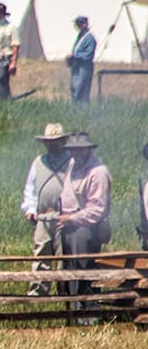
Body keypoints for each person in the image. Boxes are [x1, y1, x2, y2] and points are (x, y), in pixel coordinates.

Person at [58, 132, 112, 319]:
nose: (76, 153)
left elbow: (97, 209)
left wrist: (71, 218)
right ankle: (76, 312)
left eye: (80, 149)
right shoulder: (72, 165)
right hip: (69, 226)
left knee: (85, 270)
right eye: (73, 149)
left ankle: (90, 314)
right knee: (71, 271)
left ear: (88, 149)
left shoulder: (98, 172)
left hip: (86, 229)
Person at [20, 123, 71, 297]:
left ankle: (66, 293)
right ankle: (38, 292)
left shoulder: (71, 162)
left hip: (63, 216)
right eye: (49, 142)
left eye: (56, 141)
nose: (52, 145)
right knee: (41, 255)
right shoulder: (39, 162)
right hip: (42, 216)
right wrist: (30, 209)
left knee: (63, 257)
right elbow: (31, 190)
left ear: (63, 142)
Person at [66, 16, 96, 104]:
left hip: (84, 67)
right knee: (74, 88)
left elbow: (88, 55)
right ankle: (75, 109)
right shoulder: (80, 37)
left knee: (81, 89)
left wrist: (75, 56)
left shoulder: (90, 38)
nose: (77, 26)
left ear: (85, 24)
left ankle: (83, 110)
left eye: (79, 24)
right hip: (76, 66)